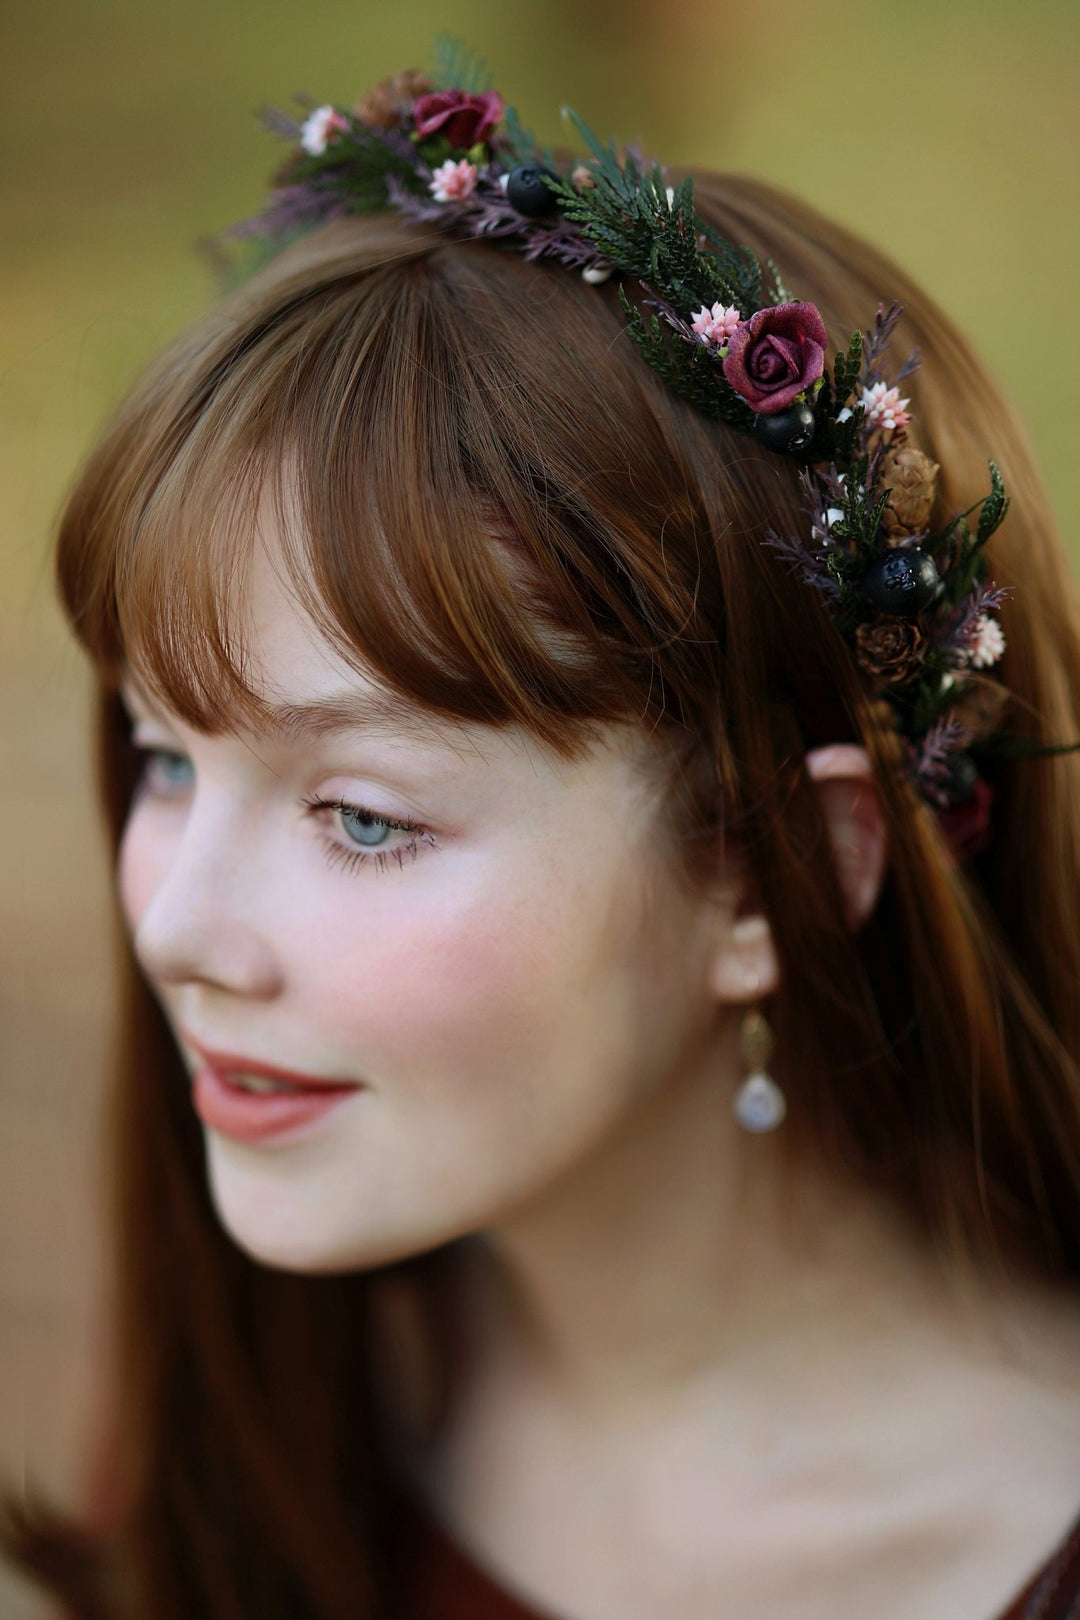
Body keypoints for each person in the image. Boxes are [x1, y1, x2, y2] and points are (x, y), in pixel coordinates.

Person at [5, 51, 1080, 1620]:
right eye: (165, 762)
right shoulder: (282, 1396)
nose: (176, 928)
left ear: (766, 869)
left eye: (363, 819)